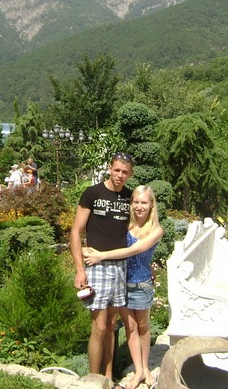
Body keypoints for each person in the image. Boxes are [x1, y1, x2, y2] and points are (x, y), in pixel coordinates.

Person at [83, 185, 163, 389]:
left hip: (142, 285)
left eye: (144, 202)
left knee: (143, 327)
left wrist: (101, 256)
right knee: (130, 328)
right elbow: (107, 236)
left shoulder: (156, 230)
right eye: (135, 202)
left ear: (151, 205)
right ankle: (138, 370)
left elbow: (134, 250)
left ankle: (145, 368)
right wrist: (85, 248)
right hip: (122, 283)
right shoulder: (126, 225)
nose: (139, 206)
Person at [70, 152, 134, 379]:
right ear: (109, 168)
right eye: (117, 170)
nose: (120, 175)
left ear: (130, 174)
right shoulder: (92, 193)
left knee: (111, 325)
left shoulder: (129, 197)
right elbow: (76, 231)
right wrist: (80, 269)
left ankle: (107, 378)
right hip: (96, 267)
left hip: (120, 267)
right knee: (98, 326)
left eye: (125, 172)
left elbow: (135, 233)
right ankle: (93, 378)